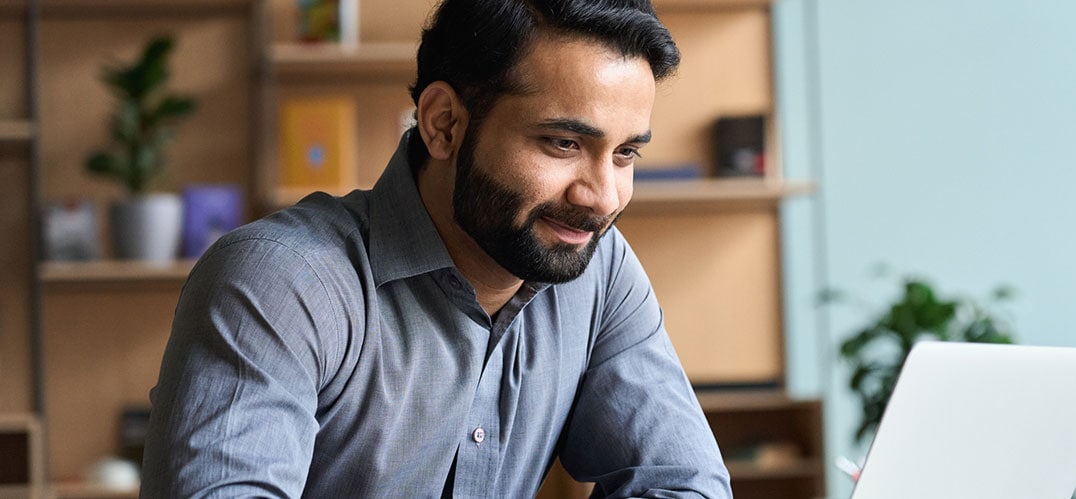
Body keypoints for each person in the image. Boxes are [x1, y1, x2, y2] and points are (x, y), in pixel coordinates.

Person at [141, 0, 731, 497]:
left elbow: (687, 486)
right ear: (443, 124)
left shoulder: (599, 270)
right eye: (563, 143)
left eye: (626, 154)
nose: (602, 197)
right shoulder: (283, 281)